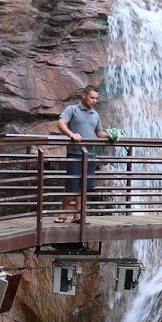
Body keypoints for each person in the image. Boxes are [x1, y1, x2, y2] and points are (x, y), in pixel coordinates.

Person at [57, 85, 107, 222]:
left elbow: (99, 133)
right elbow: (61, 123)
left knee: (84, 186)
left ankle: (78, 215)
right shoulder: (72, 109)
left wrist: (110, 135)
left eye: (96, 98)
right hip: (75, 153)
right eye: (92, 97)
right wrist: (72, 134)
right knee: (71, 186)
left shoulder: (95, 114)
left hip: (90, 154)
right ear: (84, 95)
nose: (94, 101)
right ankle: (63, 213)